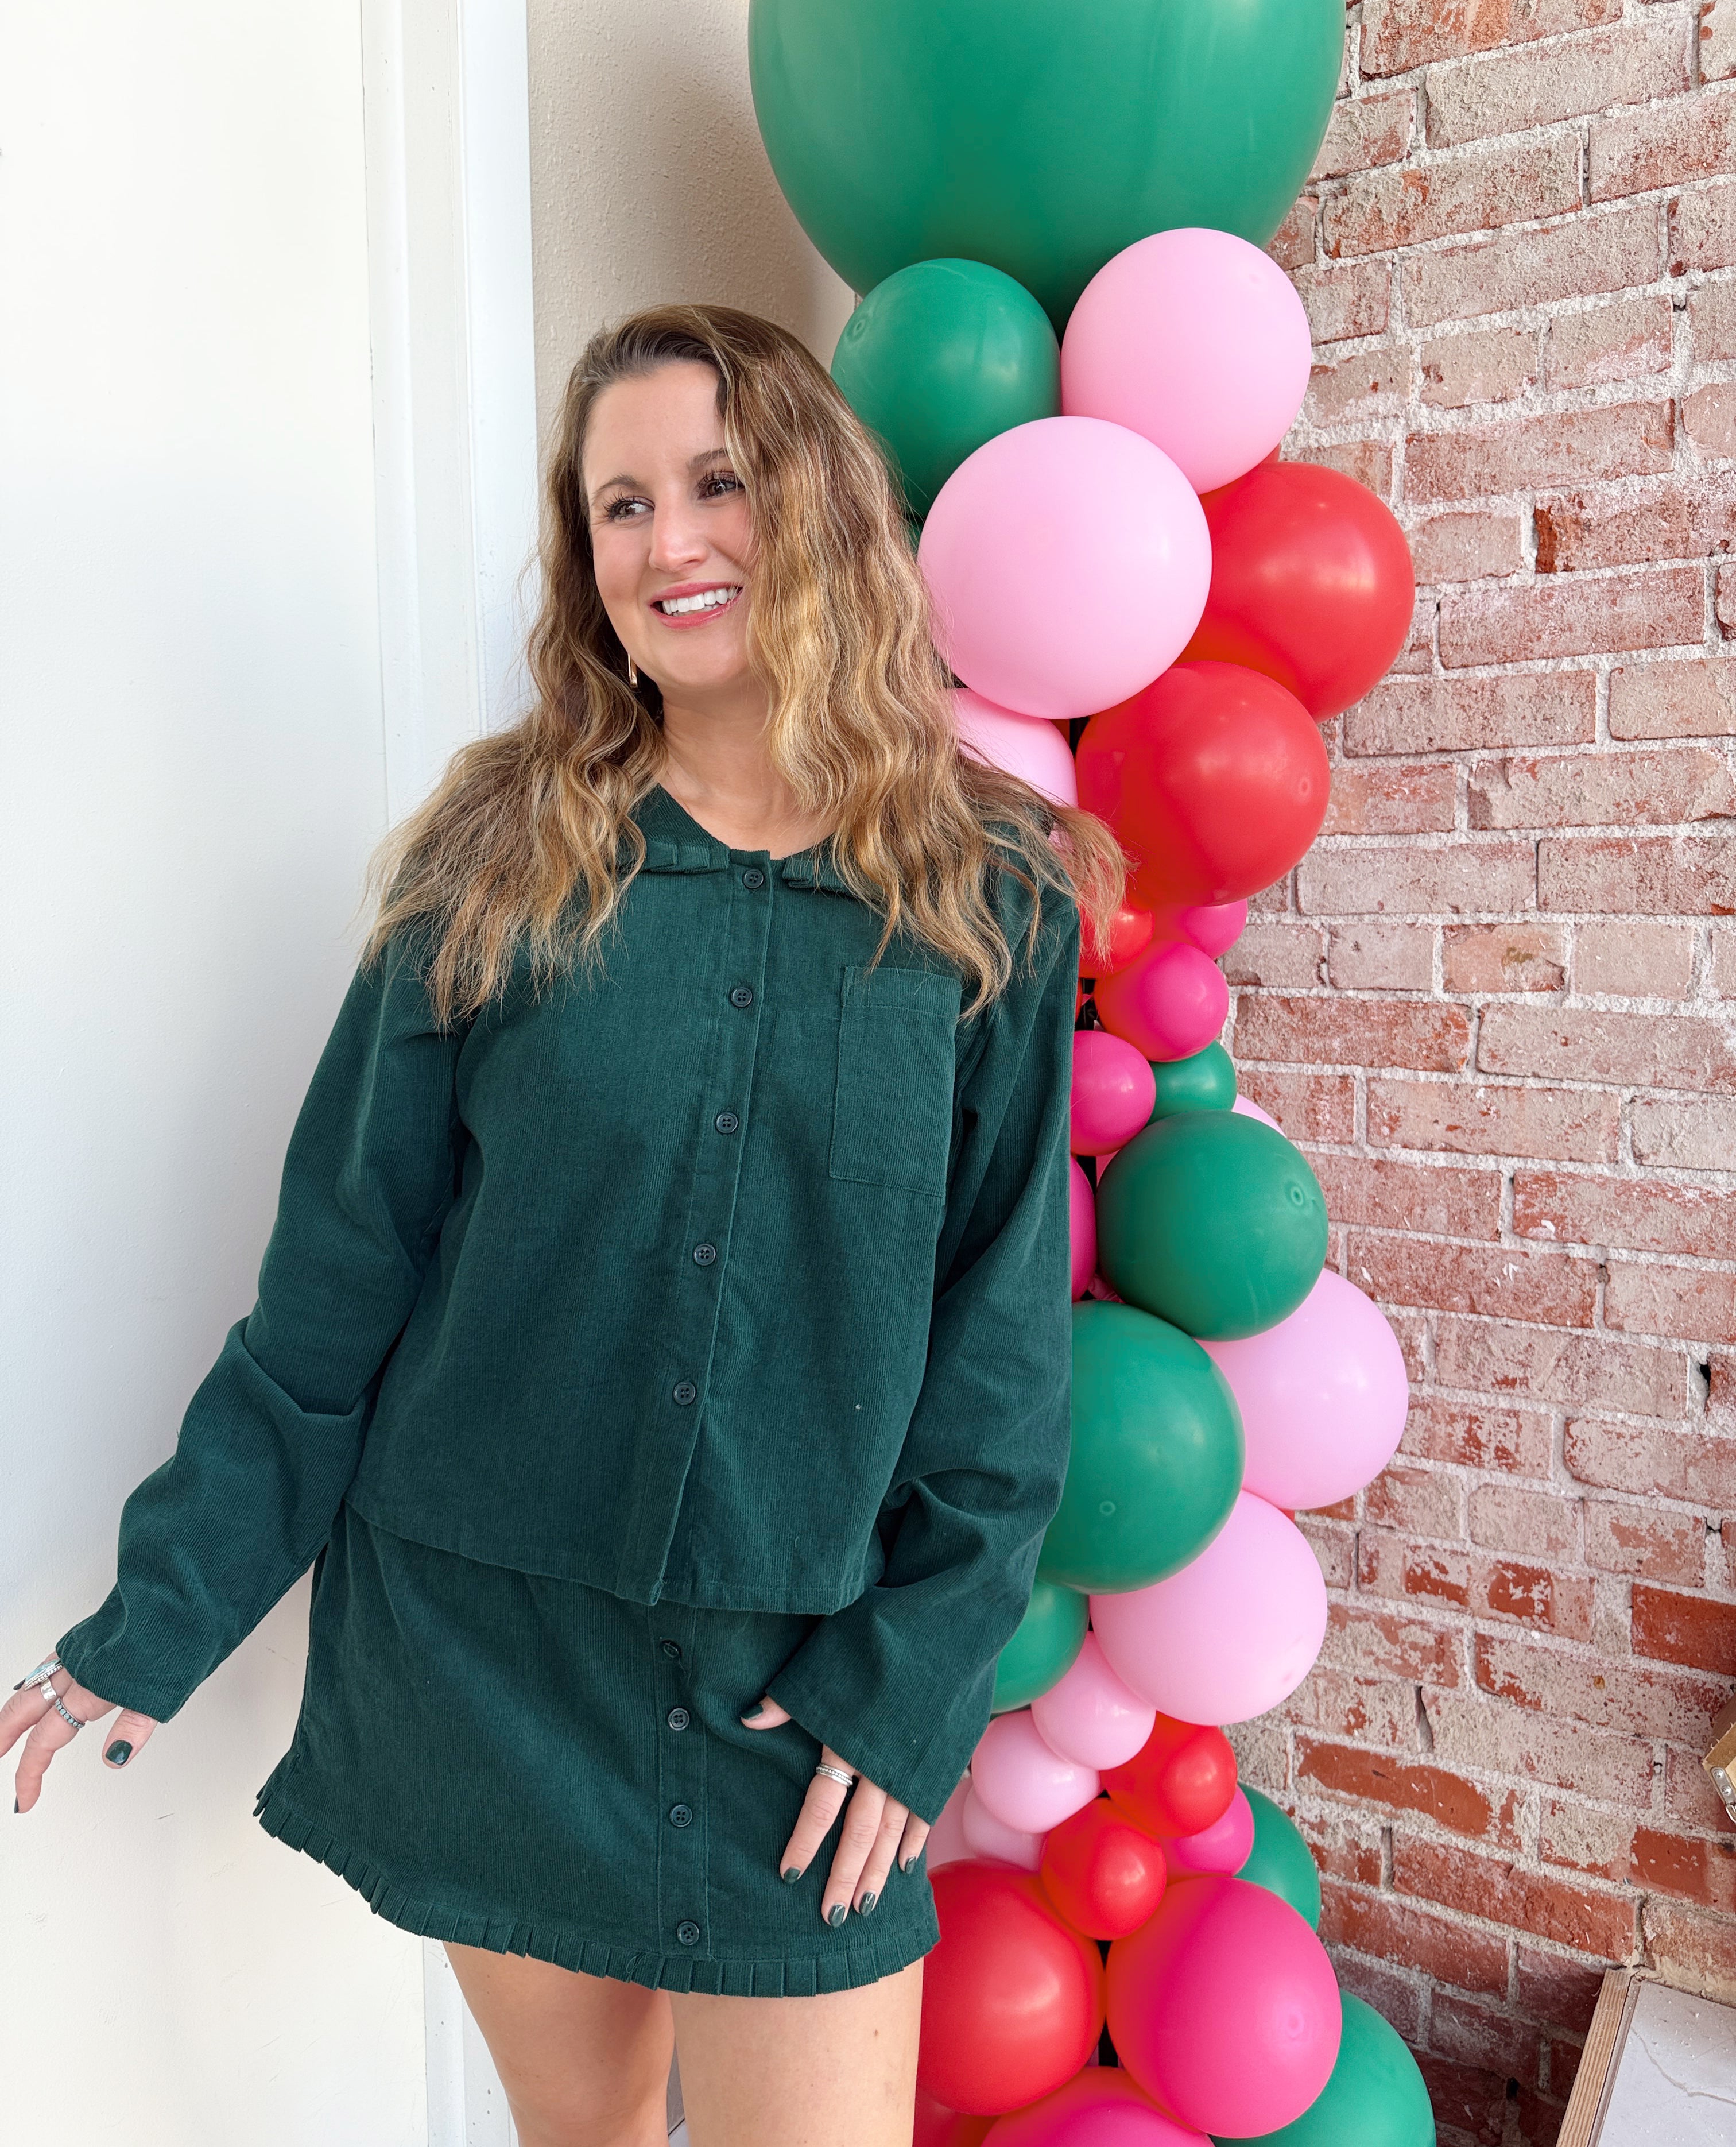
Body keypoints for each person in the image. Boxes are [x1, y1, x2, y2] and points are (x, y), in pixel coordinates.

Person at [3, 304, 1121, 2147]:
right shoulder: (498, 860)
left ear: (817, 506)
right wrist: (153, 1618)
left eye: (717, 482)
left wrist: (910, 1685)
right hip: (489, 1665)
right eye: (620, 504)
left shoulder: (985, 892)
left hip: (796, 1696)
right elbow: (334, 1295)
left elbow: (999, 1358)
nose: (670, 542)